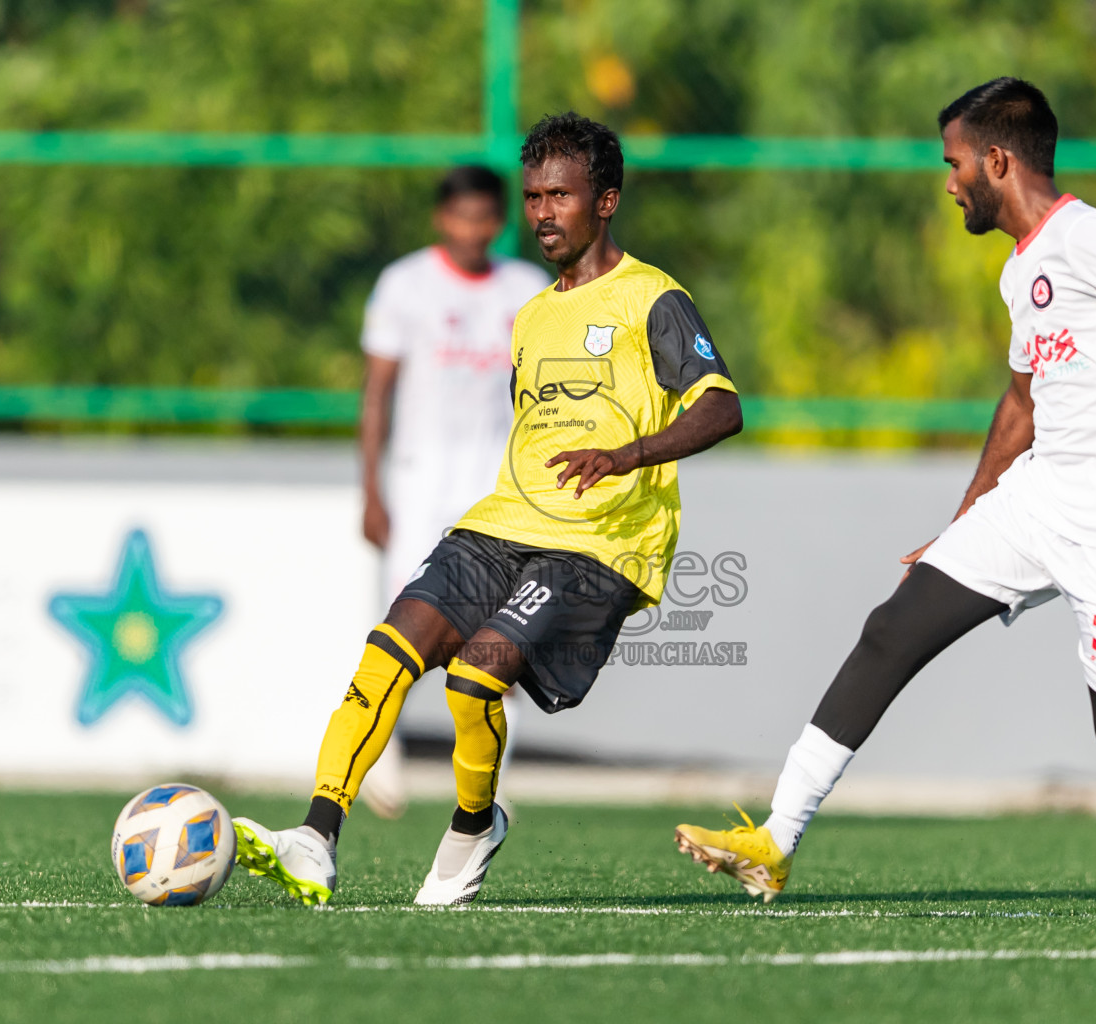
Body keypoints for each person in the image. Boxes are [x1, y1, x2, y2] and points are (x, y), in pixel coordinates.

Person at [675, 77, 1096, 903]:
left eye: (954, 163)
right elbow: (1023, 402)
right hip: (1037, 505)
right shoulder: (1017, 272)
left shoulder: (1094, 237)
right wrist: (960, 525)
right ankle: (776, 838)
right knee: (893, 626)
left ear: (997, 160)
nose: (948, 182)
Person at [234, 112, 744, 906]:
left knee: (474, 681)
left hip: (599, 544)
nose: (543, 212)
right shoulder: (533, 312)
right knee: (386, 652)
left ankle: (474, 824)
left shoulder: (653, 298)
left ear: (605, 201)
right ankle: (314, 835)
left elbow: (721, 408)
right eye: (534, 196)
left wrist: (626, 455)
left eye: (561, 196)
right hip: (502, 520)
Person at [355, 165, 549, 820]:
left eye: (486, 217)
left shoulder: (526, 290)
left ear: (501, 222)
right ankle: (381, 756)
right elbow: (377, 392)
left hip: (495, 490)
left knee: (503, 635)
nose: (474, 229)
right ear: (443, 219)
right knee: (402, 623)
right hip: (418, 483)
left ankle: (492, 781)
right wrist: (372, 491)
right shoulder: (404, 285)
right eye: (462, 216)